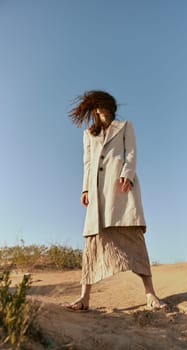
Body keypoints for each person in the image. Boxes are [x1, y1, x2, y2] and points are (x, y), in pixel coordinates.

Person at [66, 90, 167, 311]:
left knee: (133, 238)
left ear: (109, 107)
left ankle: (150, 294)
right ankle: (84, 298)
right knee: (93, 244)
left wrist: (127, 174)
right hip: (97, 193)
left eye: (100, 105)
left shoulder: (125, 127)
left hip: (120, 189)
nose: (97, 109)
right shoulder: (88, 134)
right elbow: (88, 163)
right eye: (94, 106)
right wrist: (85, 189)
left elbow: (131, 152)